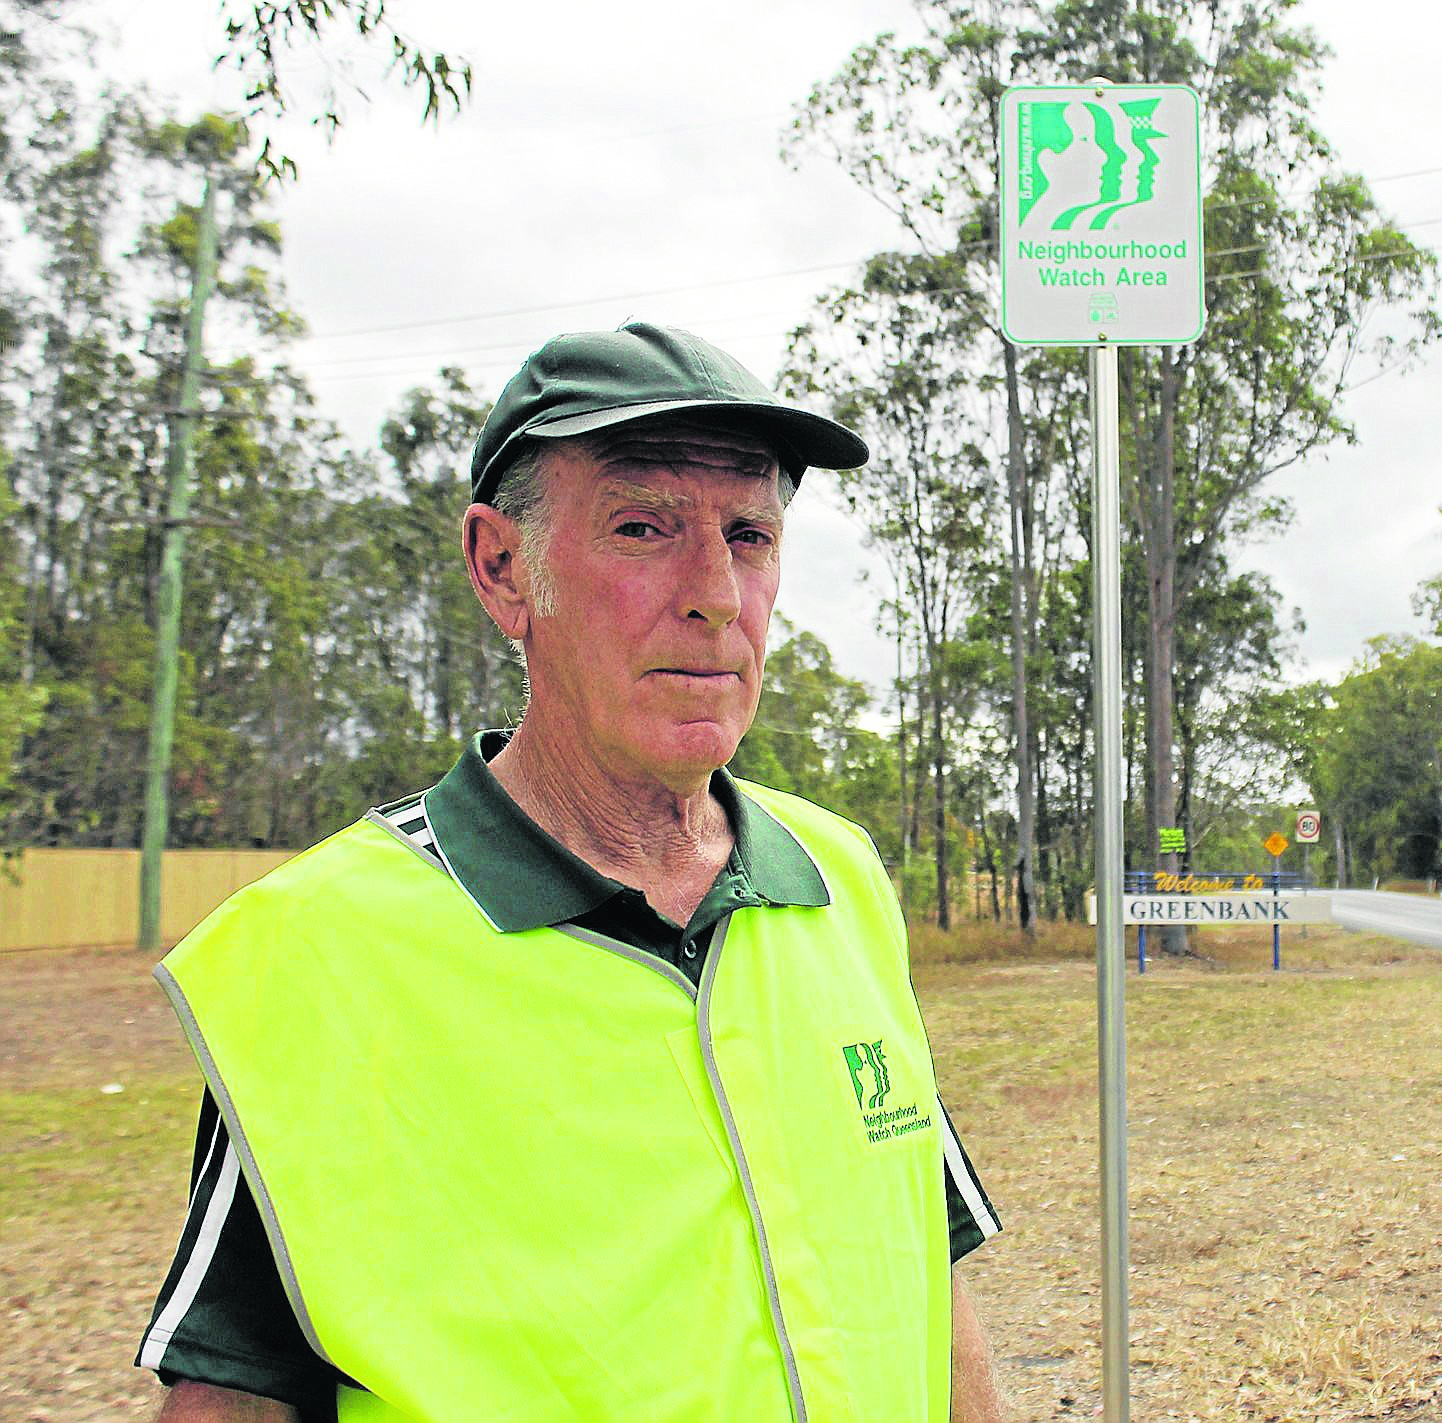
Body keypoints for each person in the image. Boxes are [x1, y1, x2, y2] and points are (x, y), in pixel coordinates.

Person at [134, 322, 1008, 1423]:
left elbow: (922, 1275)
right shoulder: (326, 948)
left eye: (749, 535)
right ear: (504, 569)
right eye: (643, 527)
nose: (716, 595)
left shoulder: (837, 877)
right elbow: (236, 1393)